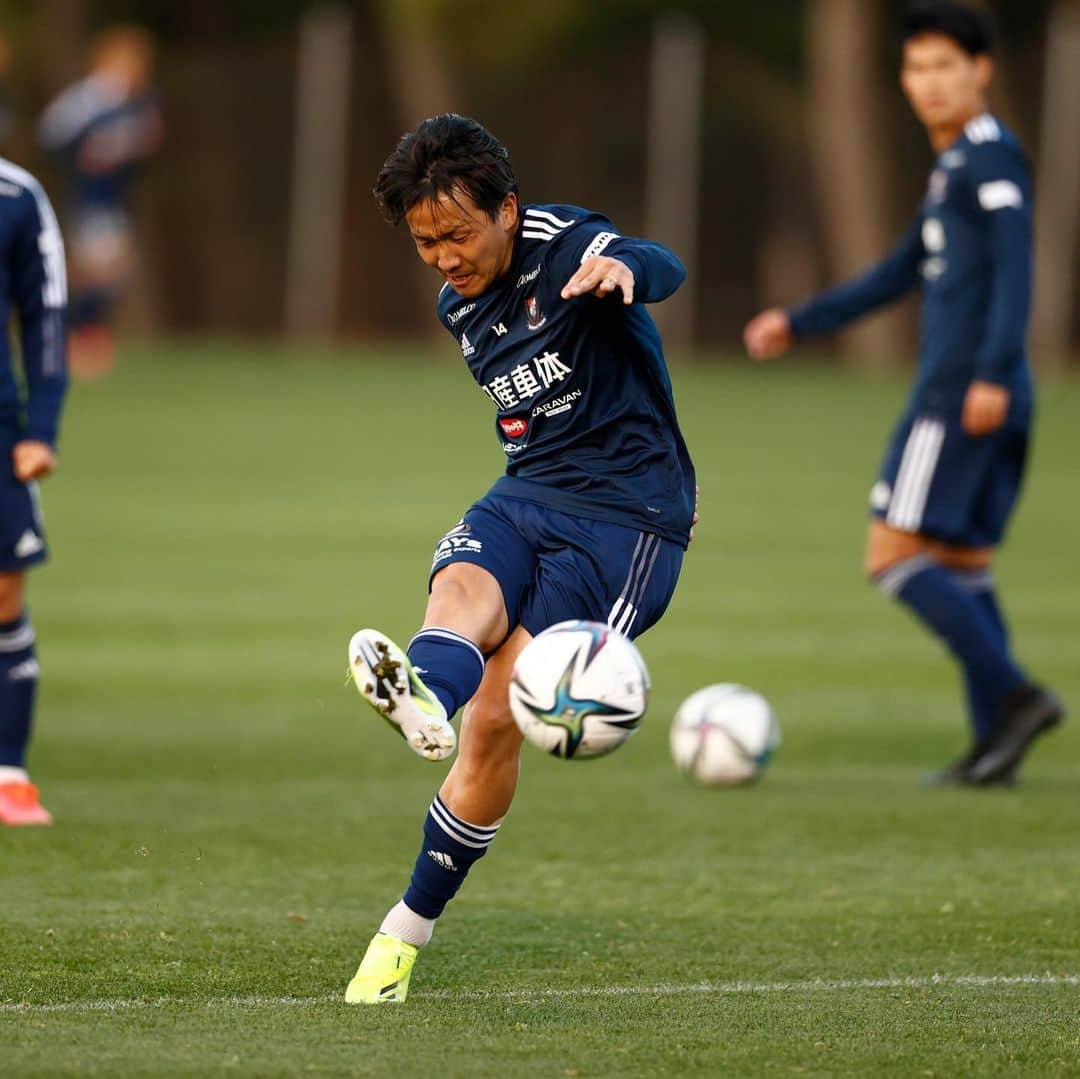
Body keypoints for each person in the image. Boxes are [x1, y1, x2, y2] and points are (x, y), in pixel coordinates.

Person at [343, 114, 696, 1003]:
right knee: (459, 587)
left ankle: (403, 934)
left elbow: (660, 260)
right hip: (529, 486)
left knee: (500, 715)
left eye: (458, 234)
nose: (443, 257)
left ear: (508, 209)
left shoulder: (566, 242)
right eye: (425, 242)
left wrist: (626, 270)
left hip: (627, 517)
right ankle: (424, 694)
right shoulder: (455, 306)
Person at [743, 1, 1063, 786]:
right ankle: (996, 747)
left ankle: (1018, 698)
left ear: (981, 71)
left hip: (962, 392)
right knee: (962, 564)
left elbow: (1019, 269)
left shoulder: (989, 158)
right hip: (990, 392)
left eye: (946, 66)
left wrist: (990, 369)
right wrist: (801, 320)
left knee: (893, 555)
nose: (929, 83)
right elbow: (897, 272)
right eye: (917, 67)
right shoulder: (955, 167)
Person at [0, 157, 68, 825]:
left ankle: (8, 772)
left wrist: (41, 424)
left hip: (0, 425)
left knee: (5, 589)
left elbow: (44, 310)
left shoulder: (16, 196)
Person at [38, 25, 162, 379]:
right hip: (91, 199)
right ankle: (77, 335)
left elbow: (144, 143)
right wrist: (84, 155)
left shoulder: (137, 100)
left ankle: (79, 336)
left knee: (107, 273)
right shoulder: (89, 98)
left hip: (116, 199)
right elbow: (52, 133)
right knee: (105, 272)